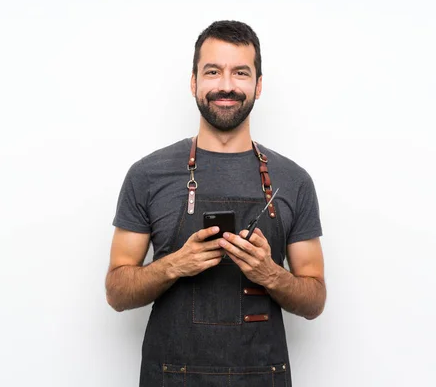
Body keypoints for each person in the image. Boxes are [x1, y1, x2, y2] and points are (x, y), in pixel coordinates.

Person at [105, 20, 326, 386]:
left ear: (258, 85)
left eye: (240, 72)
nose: (226, 85)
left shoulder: (293, 181)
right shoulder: (147, 175)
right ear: (194, 82)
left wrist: (269, 273)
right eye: (213, 71)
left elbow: (315, 298)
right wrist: (175, 264)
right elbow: (116, 291)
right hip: (172, 377)